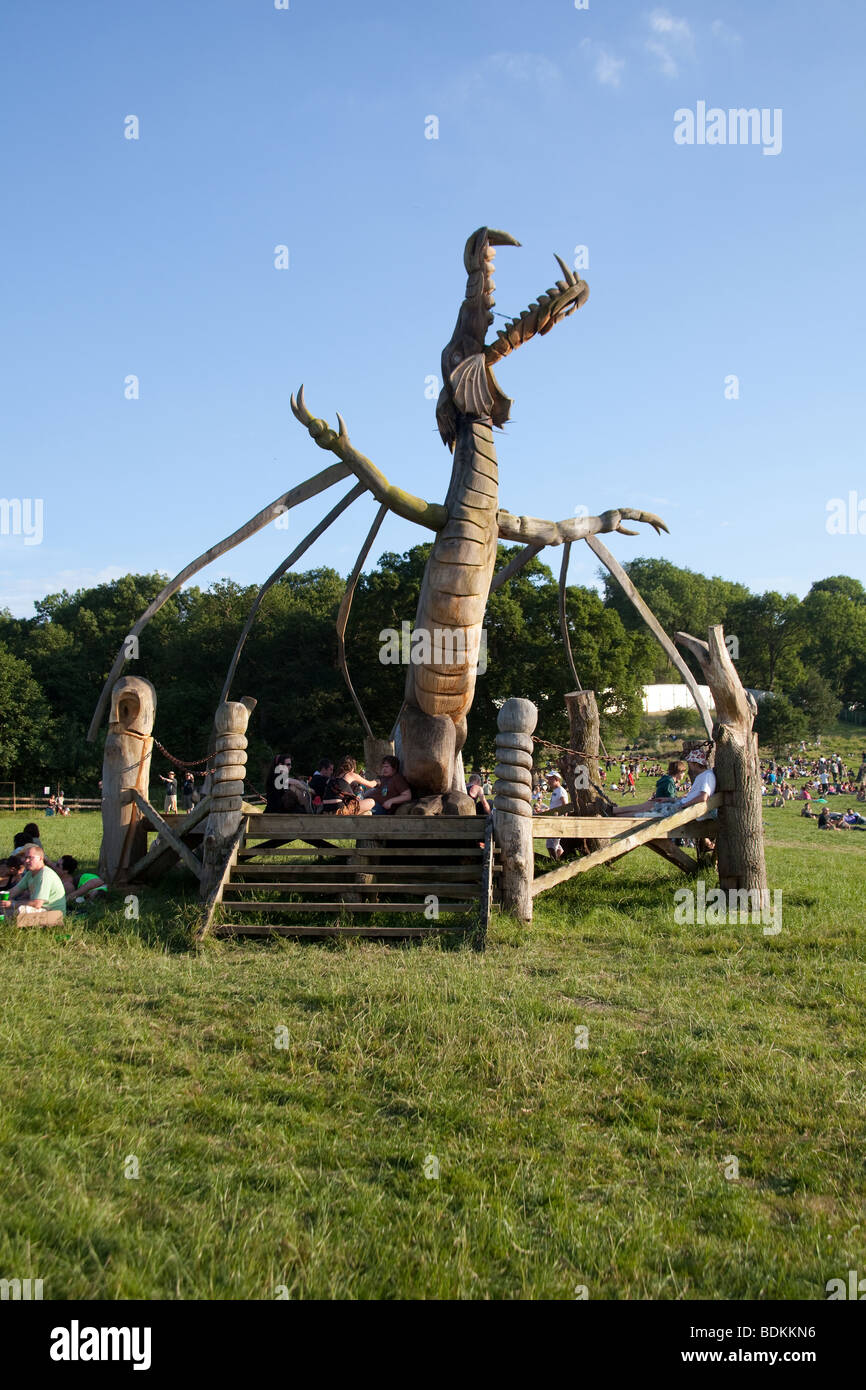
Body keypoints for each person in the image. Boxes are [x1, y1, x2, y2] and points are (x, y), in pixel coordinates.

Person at [5, 845, 66, 918]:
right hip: (39, 910)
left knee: (18, 910)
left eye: (30, 858)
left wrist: (12, 904)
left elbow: (37, 904)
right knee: (5, 909)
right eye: (26, 857)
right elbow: (13, 891)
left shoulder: (45, 875)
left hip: (52, 914)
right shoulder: (30, 874)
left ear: (40, 858)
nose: (26, 861)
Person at [539, 770, 569, 860]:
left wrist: (564, 819)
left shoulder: (561, 791)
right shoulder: (555, 791)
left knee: (551, 845)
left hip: (558, 820)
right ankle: (558, 860)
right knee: (554, 844)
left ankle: (555, 861)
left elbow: (565, 805)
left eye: (551, 779)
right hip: (553, 820)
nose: (548, 781)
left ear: (556, 780)